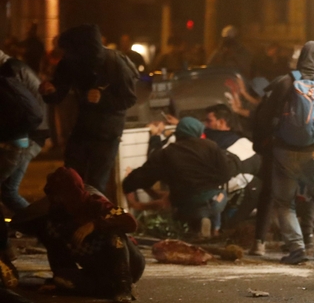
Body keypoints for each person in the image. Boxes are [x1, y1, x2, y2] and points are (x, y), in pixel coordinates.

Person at [253, 42, 314, 264]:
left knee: (284, 202)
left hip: (284, 151)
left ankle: (297, 250)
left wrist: (267, 142)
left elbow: (263, 117)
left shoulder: (285, 82)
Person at [24, 167, 145, 303]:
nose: (60, 199)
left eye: (64, 194)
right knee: (61, 278)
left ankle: (123, 286)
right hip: (98, 273)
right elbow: (59, 258)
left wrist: (95, 224)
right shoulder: (56, 221)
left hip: (128, 265)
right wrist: (62, 281)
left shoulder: (97, 204)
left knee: (115, 234)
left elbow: (130, 222)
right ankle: (110, 289)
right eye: (56, 195)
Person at [41, 25, 139, 191]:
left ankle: (93, 214)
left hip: (107, 132)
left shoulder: (115, 63)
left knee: (95, 184)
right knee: (71, 177)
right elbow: (59, 91)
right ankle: (72, 214)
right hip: (83, 126)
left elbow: (129, 99)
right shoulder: (70, 62)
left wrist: (103, 99)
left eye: (69, 50)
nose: (66, 55)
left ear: (82, 49)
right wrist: (49, 91)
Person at [123, 117, 240, 235]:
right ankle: (215, 228)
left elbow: (143, 177)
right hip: (216, 202)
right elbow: (226, 174)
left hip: (187, 206)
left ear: (178, 133)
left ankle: (198, 227)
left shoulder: (167, 153)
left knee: (179, 198)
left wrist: (128, 183)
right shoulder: (211, 146)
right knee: (215, 194)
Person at [0, 45, 47, 213]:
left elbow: (16, 108)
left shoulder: (9, 71)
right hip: (32, 131)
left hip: (29, 134)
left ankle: (39, 225)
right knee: (8, 191)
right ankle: (38, 225)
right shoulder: (12, 66)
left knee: (9, 191)